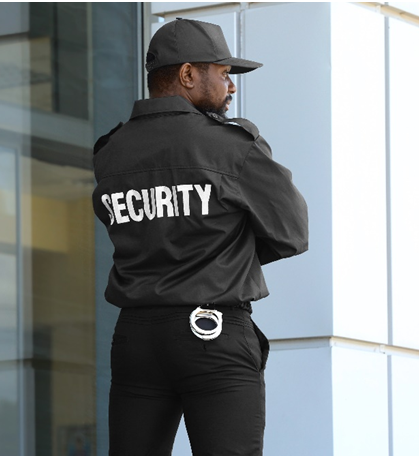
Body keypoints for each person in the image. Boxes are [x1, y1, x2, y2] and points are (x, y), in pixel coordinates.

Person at [92, 17, 308, 456]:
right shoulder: (231, 145)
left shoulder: (110, 152)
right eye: (223, 73)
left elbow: (133, 227)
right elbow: (292, 232)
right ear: (188, 74)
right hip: (211, 333)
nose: (230, 86)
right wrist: (221, 253)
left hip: (135, 339)